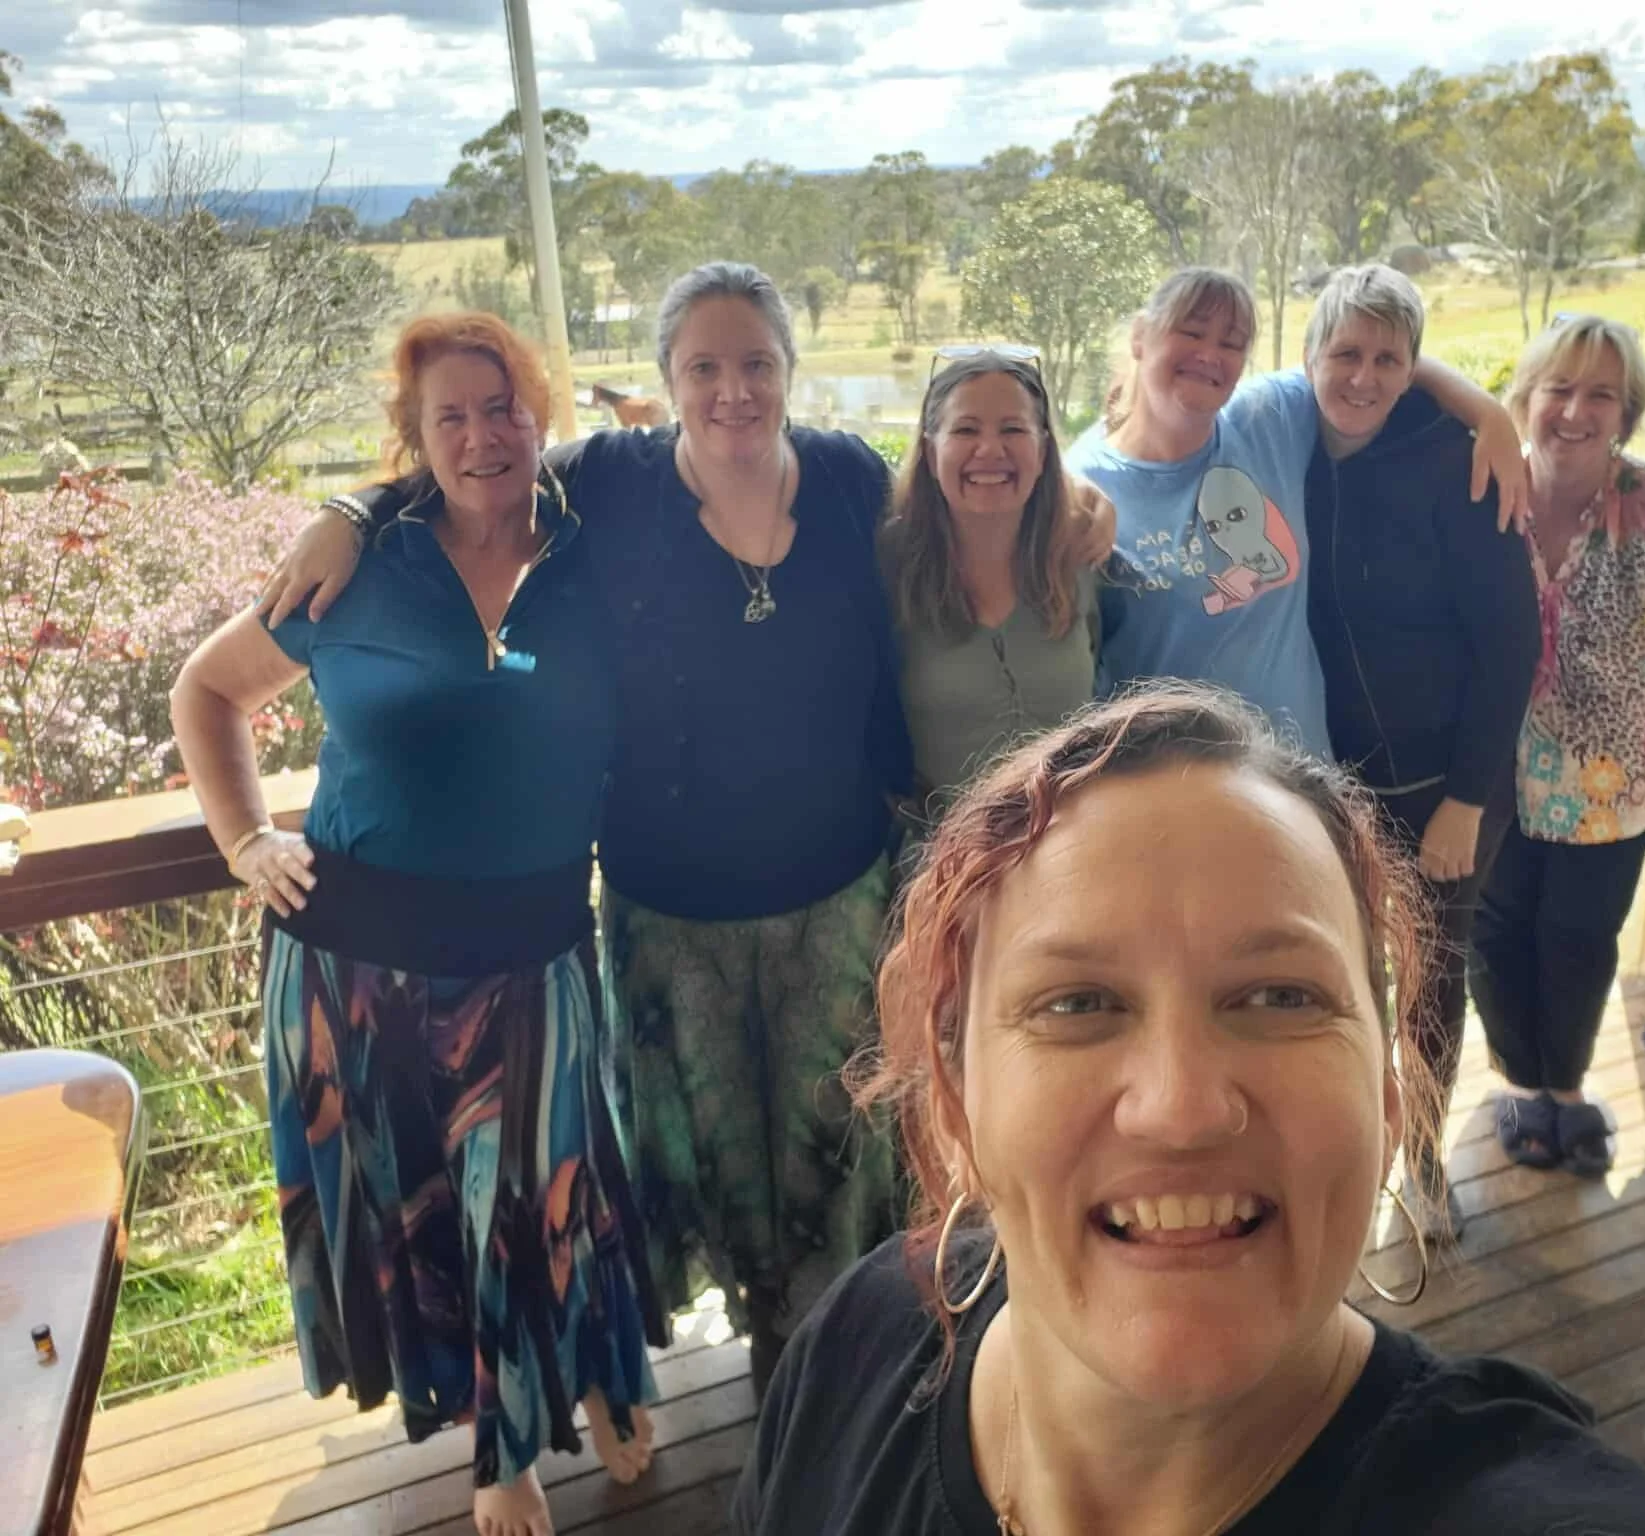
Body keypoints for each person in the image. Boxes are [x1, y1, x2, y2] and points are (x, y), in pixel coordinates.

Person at [254, 263, 1115, 1398]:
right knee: (699, 1162)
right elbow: (475, 476)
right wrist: (351, 510)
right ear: (665, 381)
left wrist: (1080, 497)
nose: (733, 389)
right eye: (703, 366)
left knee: (837, 1154)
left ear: (788, 373)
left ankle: (829, 1369)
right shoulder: (607, 482)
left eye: (755, 362)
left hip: (837, 897)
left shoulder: (855, 481)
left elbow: (977, 490)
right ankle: (761, 1364)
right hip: (668, 912)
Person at [731, 685, 1645, 1536]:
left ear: (1387, 1096)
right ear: (954, 1102)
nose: (1180, 1110)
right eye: (1077, 1005)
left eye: (1279, 998)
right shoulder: (859, 1344)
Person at [170, 313, 664, 1536]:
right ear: (416, 438)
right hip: (355, 956)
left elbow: (681, 457)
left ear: (537, 415)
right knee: (435, 1216)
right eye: (450, 416)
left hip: (536, 952)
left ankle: (598, 1372)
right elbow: (208, 689)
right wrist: (246, 841)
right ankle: (499, 1455)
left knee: (553, 1196)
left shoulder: (596, 554)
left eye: (501, 408)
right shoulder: (359, 565)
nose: (482, 435)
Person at [1294, 264, 1541, 1238]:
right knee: (1338, 981)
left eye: (1387, 360)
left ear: (1411, 368)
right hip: (1328, 783)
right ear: (1310, 355)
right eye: (1344, 353)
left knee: (1430, 990)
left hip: (1445, 786)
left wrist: (1469, 800)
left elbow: (1511, 642)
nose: (1361, 376)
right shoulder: (1287, 448)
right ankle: (1340, 1151)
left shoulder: (1457, 460)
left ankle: (1424, 1160)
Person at [1068, 267, 1527, 761]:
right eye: (1191, 331)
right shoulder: (1084, 487)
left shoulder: (1266, 419)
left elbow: (1373, 355)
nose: (1209, 354)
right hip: (1174, 791)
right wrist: (1062, 477)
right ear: (1140, 337)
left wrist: (1490, 414)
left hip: (1300, 781)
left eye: (1231, 342)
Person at [1468, 316, 1645, 1177]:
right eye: (1559, 389)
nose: (1575, 411)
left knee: (1579, 936)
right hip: (1485, 772)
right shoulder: (1481, 494)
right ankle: (1516, 1081)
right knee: (1497, 930)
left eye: (1601, 395)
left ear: (1628, 412)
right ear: (1525, 400)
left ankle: (1565, 1087)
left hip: (1610, 789)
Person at [883, 349, 1097, 816]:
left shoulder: (1082, 555)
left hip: (1071, 847)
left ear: (1042, 451)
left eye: (1013, 429)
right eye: (965, 429)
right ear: (929, 448)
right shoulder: (886, 570)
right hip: (944, 859)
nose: (990, 450)